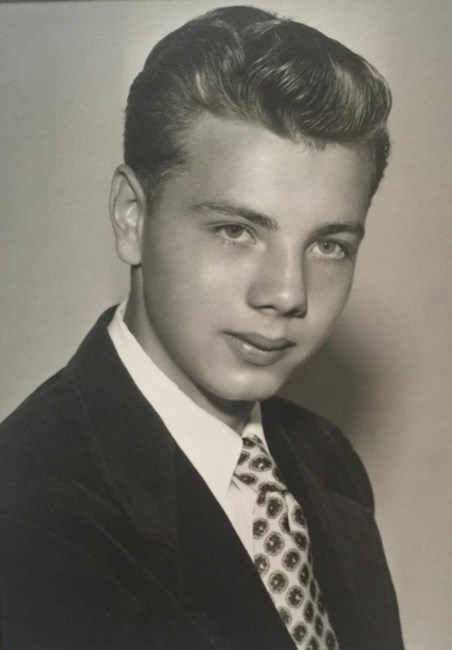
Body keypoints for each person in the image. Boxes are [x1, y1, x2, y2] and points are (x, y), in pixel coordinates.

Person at [0, 6, 405, 650]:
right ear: (132, 217)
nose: (287, 294)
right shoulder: (25, 518)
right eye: (235, 231)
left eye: (328, 245)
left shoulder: (327, 462)